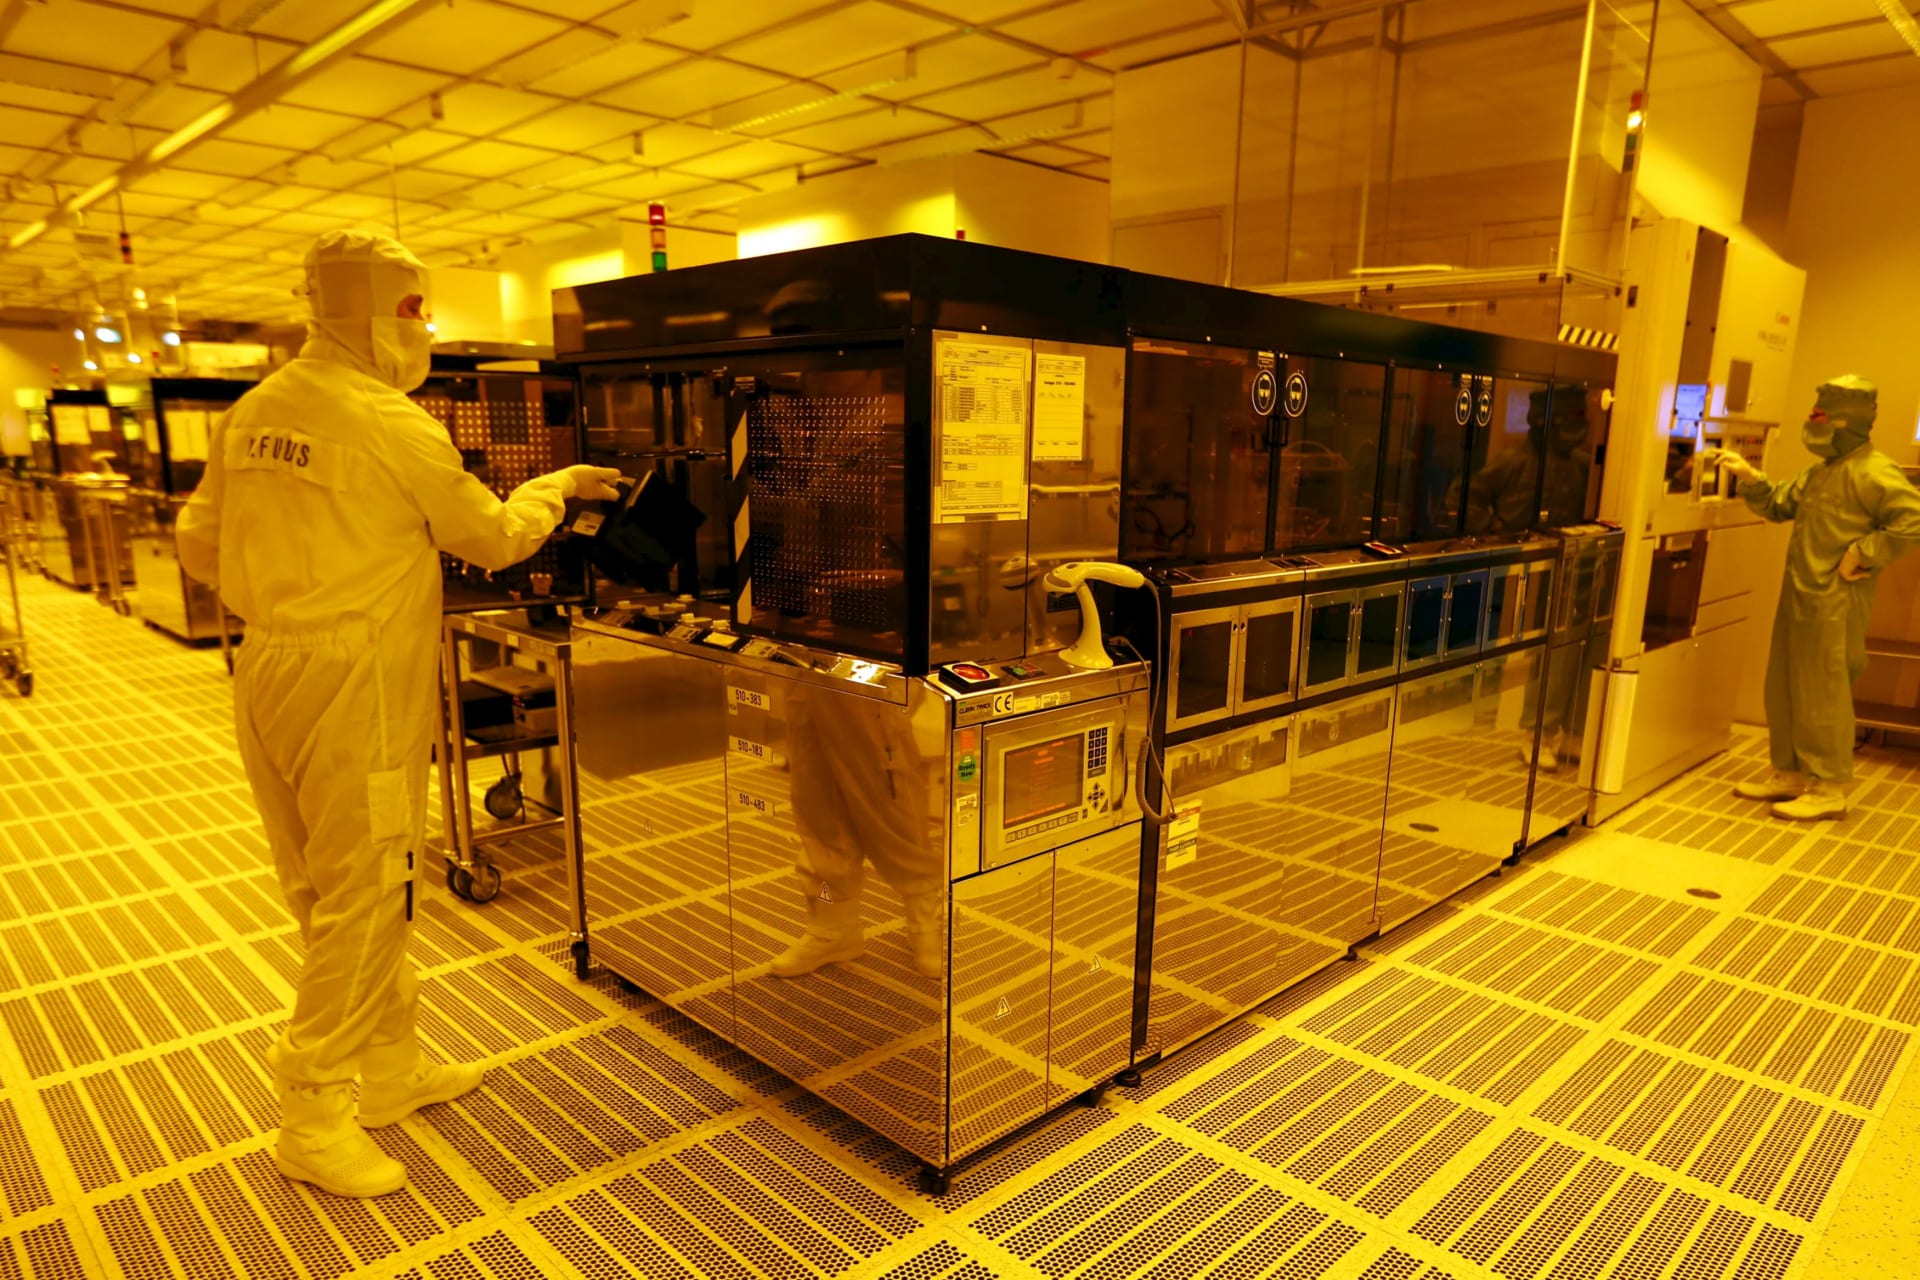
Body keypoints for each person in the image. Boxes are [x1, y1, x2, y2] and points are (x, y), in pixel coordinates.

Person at [175, 229, 619, 1198]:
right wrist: (556, 486)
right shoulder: (386, 418)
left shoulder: (254, 409)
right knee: (371, 885)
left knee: (320, 881)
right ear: (383, 316)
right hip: (358, 678)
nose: (425, 332)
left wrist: (292, 576)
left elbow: (198, 542)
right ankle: (312, 1111)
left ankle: (388, 1064)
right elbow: (492, 538)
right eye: (417, 313)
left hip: (267, 663)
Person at [1707, 376, 1920, 820]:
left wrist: (1864, 552)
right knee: (1784, 687)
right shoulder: (1821, 470)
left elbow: (1912, 522)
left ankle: (1829, 787)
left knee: (1823, 693)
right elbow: (1779, 504)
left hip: (1836, 602)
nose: (1814, 426)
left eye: (1821, 418)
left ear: (1846, 422)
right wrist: (1750, 477)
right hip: (1799, 598)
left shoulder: (1875, 471)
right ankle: (1789, 773)